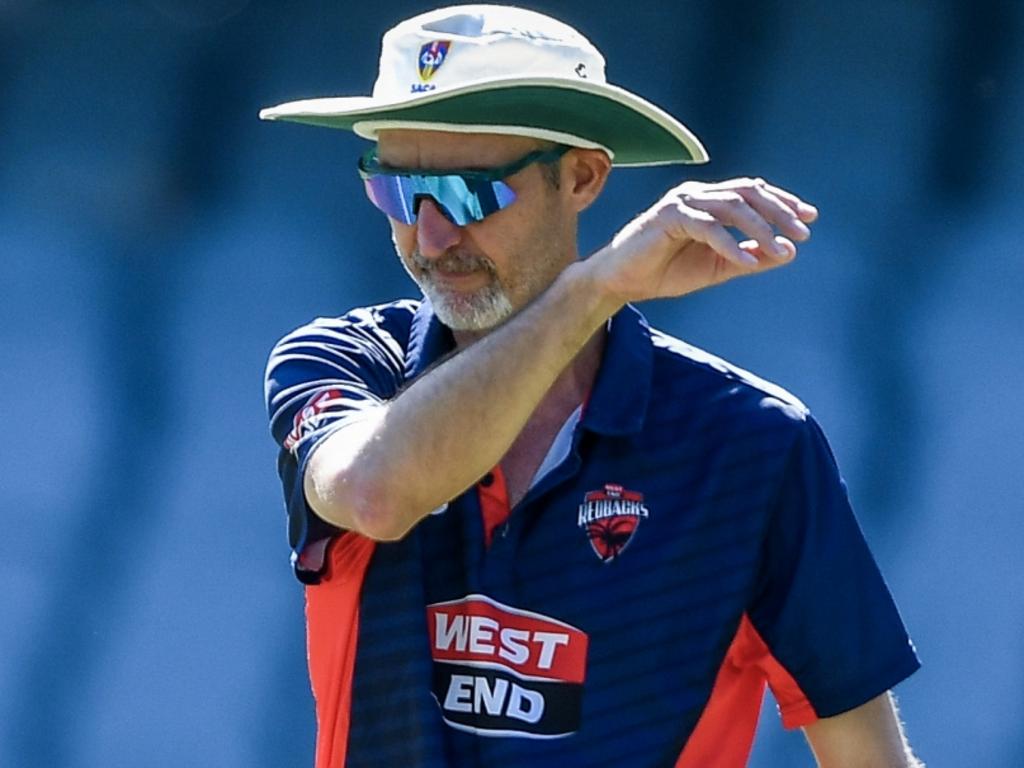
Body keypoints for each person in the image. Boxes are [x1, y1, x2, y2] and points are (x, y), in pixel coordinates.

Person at [261, 6, 922, 767]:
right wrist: (596, 287)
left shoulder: (753, 444)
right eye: (400, 194)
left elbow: (870, 760)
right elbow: (378, 494)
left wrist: (591, 291)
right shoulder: (341, 361)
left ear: (581, 177)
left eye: (470, 192)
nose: (432, 235)